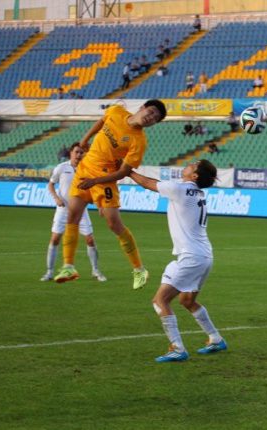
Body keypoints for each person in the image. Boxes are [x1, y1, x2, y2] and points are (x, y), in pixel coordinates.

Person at [53, 99, 167, 290]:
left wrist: (95, 182)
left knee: (114, 224)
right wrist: (85, 139)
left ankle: (139, 269)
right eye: (152, 112)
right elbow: (101, 121)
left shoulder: (138, 141)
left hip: (105, 178)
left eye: (155, 118)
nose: (151, 117)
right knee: (72, 216)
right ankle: (68, 266)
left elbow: (123, 172)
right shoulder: (116, 111)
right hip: (84, 170)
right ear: (142, 108)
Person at [128, 160, 227, 362]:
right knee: (187, 300)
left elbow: (147, 183)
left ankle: (177, 348)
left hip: (191, 257)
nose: (189, 164)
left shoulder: (181, 190)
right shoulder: (197, 193)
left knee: (160, 301)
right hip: (204, 256)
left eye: (194, 164)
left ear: (195, 176)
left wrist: (128, 171)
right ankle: (216, 338)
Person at [41, 143, 106, 283]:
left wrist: (100, 204)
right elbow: (51, 184)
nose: (78, 155)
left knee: (90, 239)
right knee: (55, 239)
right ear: (71, 153)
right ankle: (49, 272)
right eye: (76, 152)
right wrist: (56, 198)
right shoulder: (61, 168)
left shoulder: (87, 169)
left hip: (80, 209)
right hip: (63, 209)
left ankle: (96, 271)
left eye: (81, 152)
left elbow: (95, 188)